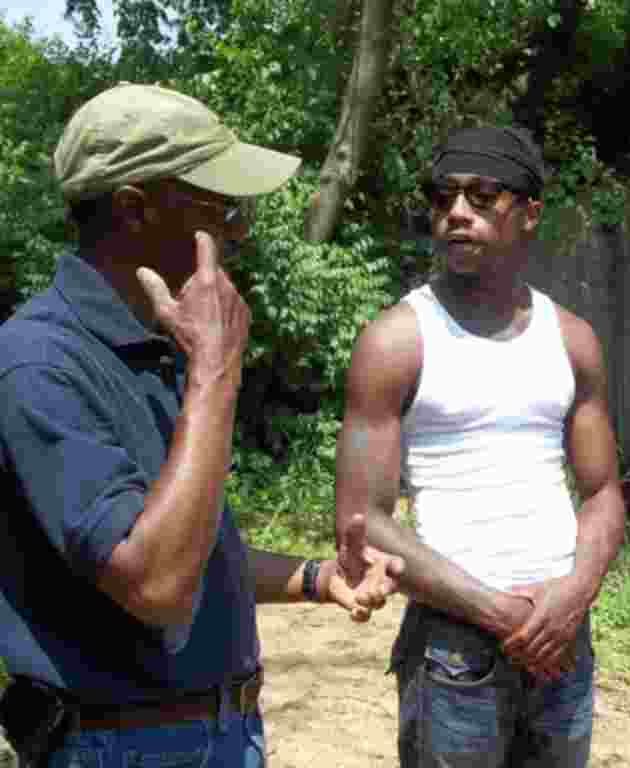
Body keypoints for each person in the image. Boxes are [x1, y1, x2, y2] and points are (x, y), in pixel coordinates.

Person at [0, 82, 401, 768]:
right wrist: (217, 375)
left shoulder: (156, 346)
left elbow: (186, 541)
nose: (240, 230)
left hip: (213, 735)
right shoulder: (38, 364)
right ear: (134, 208)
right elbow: (155, 584)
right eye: (223, 207)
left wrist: (312, 576)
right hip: (121, 747)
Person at [334, 124, 626, 767]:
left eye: (482, 196)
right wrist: (501, 613)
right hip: (453, 651)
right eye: (443, 198)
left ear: (529, 212)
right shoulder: (396, 343)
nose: (457, 214)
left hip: (562, 641)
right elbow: (362, 523)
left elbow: (604, 493)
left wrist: (574, 594)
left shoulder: (573, 341)